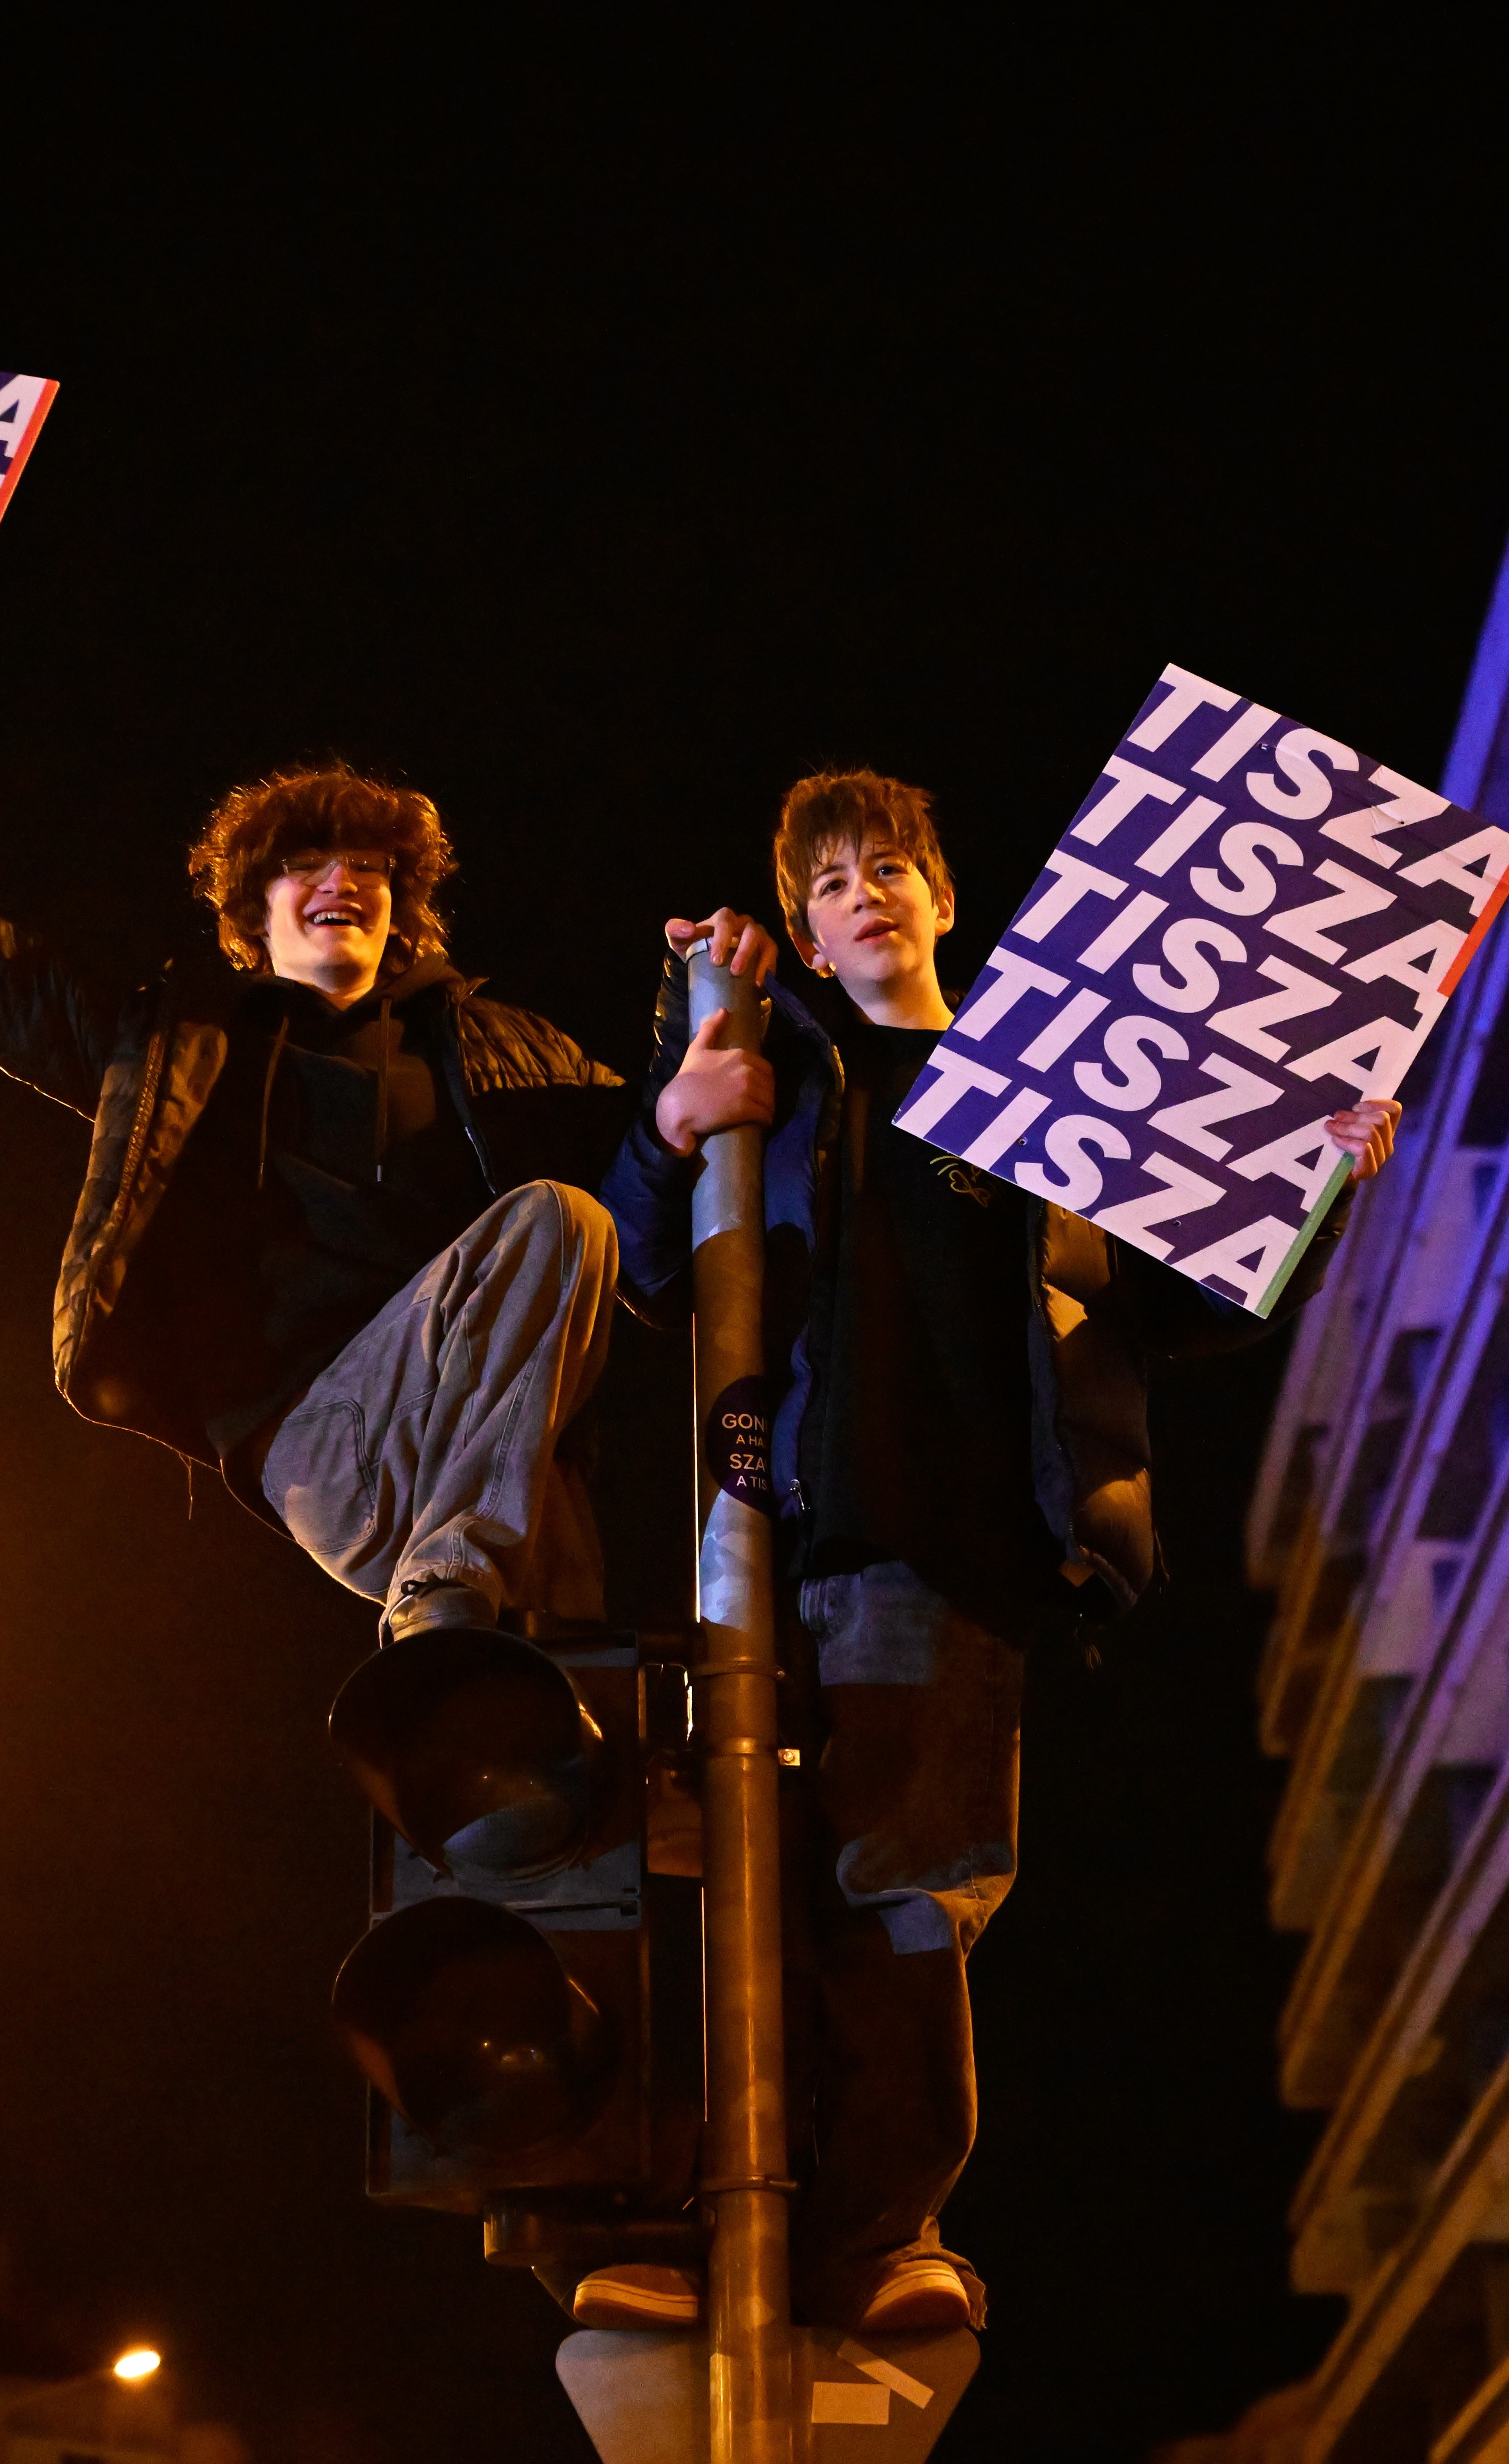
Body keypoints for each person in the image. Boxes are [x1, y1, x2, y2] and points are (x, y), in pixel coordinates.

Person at [581, 770, 1400, 2336]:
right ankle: (747, 2237)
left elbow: (1184, 1306)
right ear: (809, 937)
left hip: (944, 1541)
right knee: (737, 1892)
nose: (867, 894)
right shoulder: (788, 1075)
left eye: (891, 866)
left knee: (901, 1883)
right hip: (762, 1550)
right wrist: (677, 1098)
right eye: (831, 884)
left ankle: (865, 2246)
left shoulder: (1057, 1089)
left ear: (948, 898)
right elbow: (637, 1264)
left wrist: (1319, 1189)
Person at [0, 768, 683, 1638]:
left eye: (368, 870)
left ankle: (482, 1652)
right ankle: (445, 1584)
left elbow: (645, 1183)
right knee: (554, 1225)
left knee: (559, 1767)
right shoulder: (181, 1040)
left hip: (502, 1459)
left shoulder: (508, 1053)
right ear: (251, 912)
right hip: (323, 1434)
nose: (341, 885)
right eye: (304, 866)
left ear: (402, 908)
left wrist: (695, 1026)